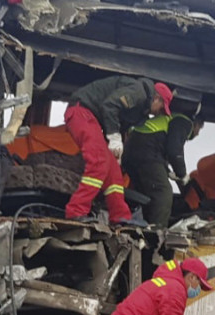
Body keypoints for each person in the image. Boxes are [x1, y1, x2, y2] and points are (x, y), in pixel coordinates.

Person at [63, 76, 173, 224]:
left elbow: (120, 123)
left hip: (91, 118)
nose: (158, 113)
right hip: (81, 112)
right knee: (99, 161)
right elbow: (109, 106)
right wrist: (114, 138)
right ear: (157, 99)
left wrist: (118, 150)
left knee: (114, 171)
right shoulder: (138, 92)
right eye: (161, 108)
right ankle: (76, 211)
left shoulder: (140, 110)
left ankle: (120, 217)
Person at [122, 108, 203, 227]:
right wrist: (182, 174)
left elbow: (160, 145)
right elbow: (174, 151)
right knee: (163, 192)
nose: (197, 133)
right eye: (199, 128)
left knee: (145, 193)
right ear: (196, 123)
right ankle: (157, 231)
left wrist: (168, 171)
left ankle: (142, 225)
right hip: (145, 151)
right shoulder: (185, 122)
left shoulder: (171, 119)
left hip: (132, 152)